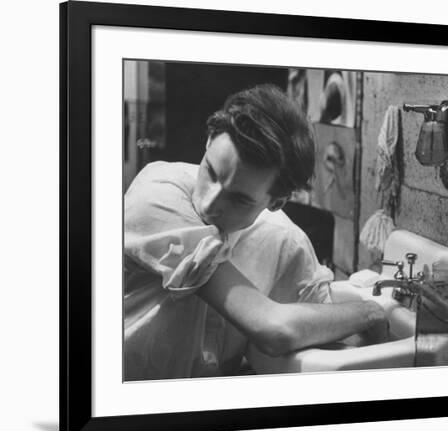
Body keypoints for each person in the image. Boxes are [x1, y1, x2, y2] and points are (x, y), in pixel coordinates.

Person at [123, 84, 388, 381]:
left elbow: (326, 341)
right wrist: (369, 312)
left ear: (276, 202)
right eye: (211, 172)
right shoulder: (157, 193)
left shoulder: (285, 242)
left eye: (239, 199)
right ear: (209, 140)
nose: (209, 203)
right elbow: (274, 327)